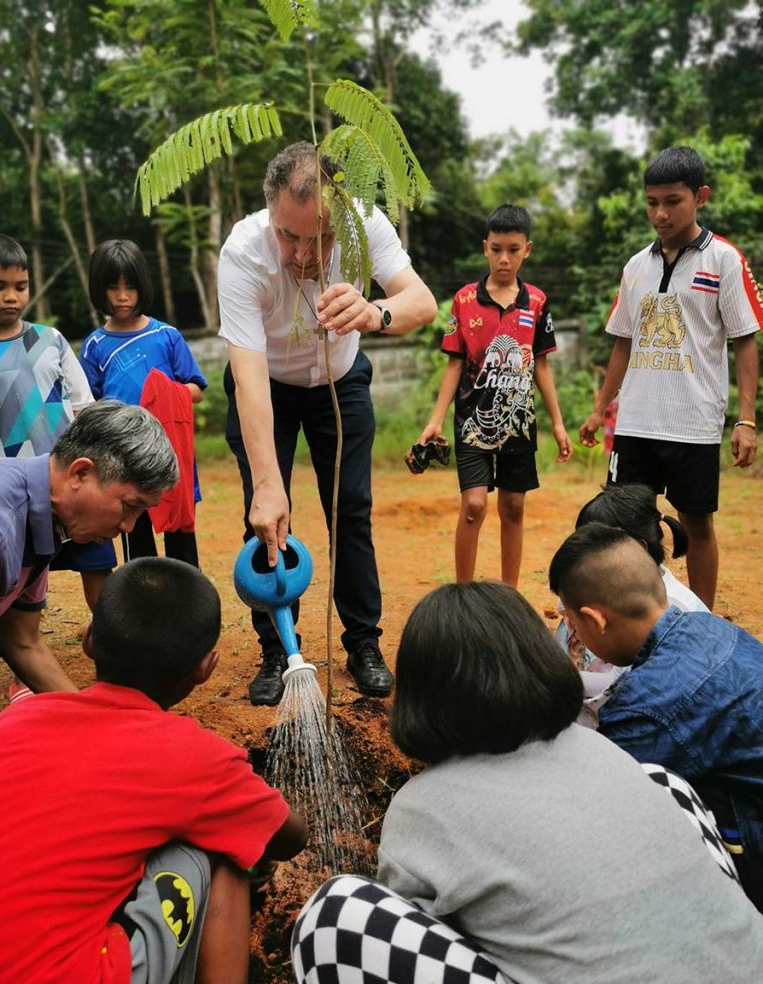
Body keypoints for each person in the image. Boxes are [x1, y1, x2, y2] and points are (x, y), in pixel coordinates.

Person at [291, 582, 763, 984]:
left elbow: (418, 943)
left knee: (334, 915)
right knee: (664, 782)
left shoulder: (422, 807)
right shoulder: (603, 750)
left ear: (420, 696)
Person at [0, 557, 307, 984]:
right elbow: (289, 835)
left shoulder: (15, 721)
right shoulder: (196, 758)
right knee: (222, 850)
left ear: (88, 641)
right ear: (206, 667)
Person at [219, 141, 437, 705]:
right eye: (288, 235)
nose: (300, 253)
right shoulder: (244, 252)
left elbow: (422, 302)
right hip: (266, 387)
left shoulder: (365, 223)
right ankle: (277, 650)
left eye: (316, 238)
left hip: (340, 386)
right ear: (271, 213)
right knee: (265, 518)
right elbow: (247, 375)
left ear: (339, 216)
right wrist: (268, 486)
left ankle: (363, 642)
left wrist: (374, 313)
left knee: (351, 511)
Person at [579, 145, 763, 610]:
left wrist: (745, 420)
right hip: (636, 421)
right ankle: (633, 614)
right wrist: (601, 410)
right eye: (652, 202)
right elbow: (623, 341)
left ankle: (699, 623)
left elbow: (745, 340)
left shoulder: (723, 260)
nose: (660, 214)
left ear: (700, 197)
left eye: (672, 201)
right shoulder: (636, 267)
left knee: (696, 523)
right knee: (623, 522)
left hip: (693, 423)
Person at [549, 523, 763, 909]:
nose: (572, 631)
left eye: (573, 622)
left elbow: (591, 798)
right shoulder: (705, 624)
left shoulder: (649, 707)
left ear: (595, 620)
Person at [417, 204, 571, 585]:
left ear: (527, 250)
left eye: (513, 250)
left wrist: (558, 423)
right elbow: (454, 363)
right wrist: (435, 420)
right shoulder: (465, 300)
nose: (505, 258)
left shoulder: (536, 302)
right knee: (473, 506)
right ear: (485, 247)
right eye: (497, 248)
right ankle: (464, 595)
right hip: (472, 421)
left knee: (514, 506)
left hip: (519, 422)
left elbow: (542, 365)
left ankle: (508, 597)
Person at [0, 400, 177, 694]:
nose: (128, 527)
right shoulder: (1, 529)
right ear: (80, 473)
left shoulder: (41, 514)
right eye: (130, 506)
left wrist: (87, 721)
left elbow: (21, 640)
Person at [0, 232, 116, 612]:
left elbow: (84, 406)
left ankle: (113, 646)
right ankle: (19, 655)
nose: (11, 296)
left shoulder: (51, 340)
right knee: (16, 577)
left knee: (98, 568)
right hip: (12, 495)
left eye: (21, 286)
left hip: (71, 481)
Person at [79, 238, 207, 567]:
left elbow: (195, 388)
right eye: (113, 287)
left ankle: (187, 606)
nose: (123, 296)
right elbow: (88, 406)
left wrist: (167, 394)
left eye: (131, 287)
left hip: (169, 453)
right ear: (99, 290)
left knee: (180, 535)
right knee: (135, 539)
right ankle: (144, 608)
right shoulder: (95, 346)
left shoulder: (166, 336)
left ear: (143, 287)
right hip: (121, 460)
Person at [557, 483, 708, 725]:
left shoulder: (668, 607)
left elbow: (624, 686)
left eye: (594, 550)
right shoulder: (634, 585)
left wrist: (554, 679)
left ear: (637, 548)